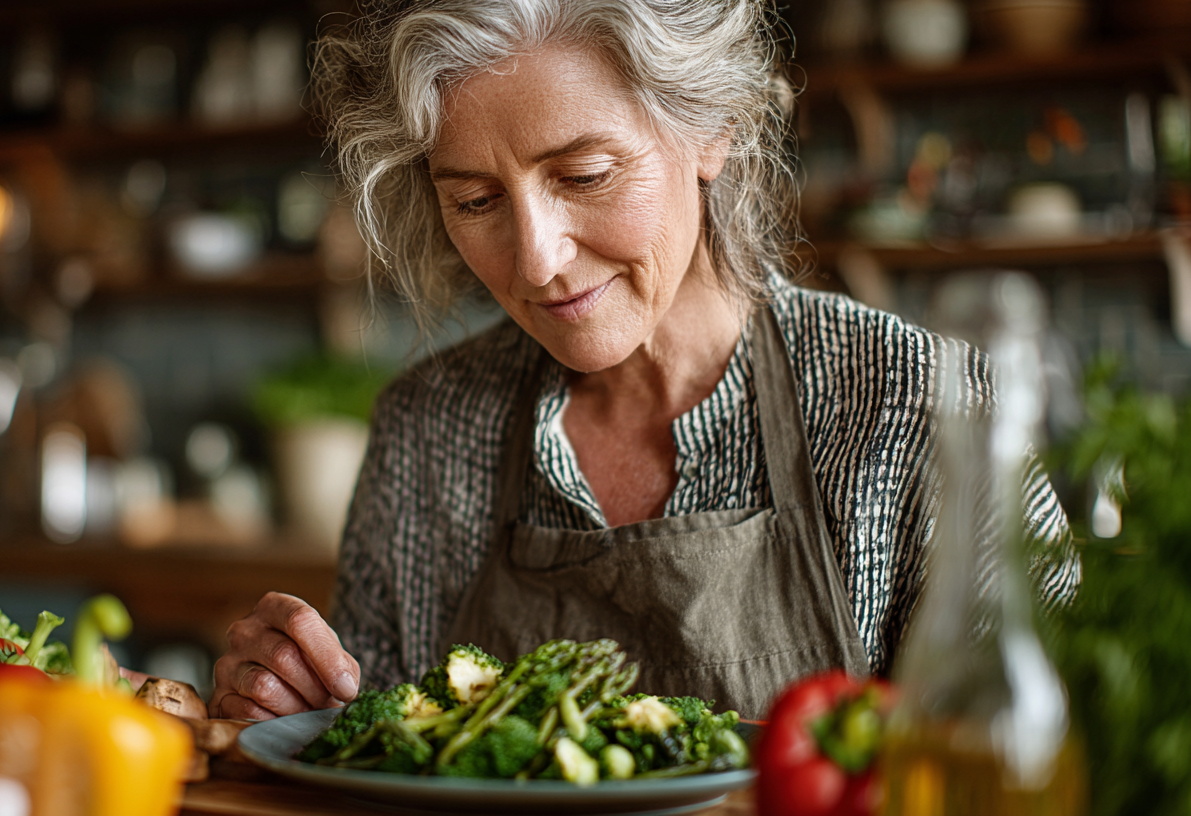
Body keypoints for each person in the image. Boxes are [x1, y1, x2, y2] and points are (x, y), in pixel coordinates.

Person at [210, 0, 1080, 722]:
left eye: (584, 175)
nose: (537, 257)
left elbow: (1045, 761)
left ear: (714, 130)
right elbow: (373, 768)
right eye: (475, 200)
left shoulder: (924, 409)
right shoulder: (427, 433)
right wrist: (300, 715)